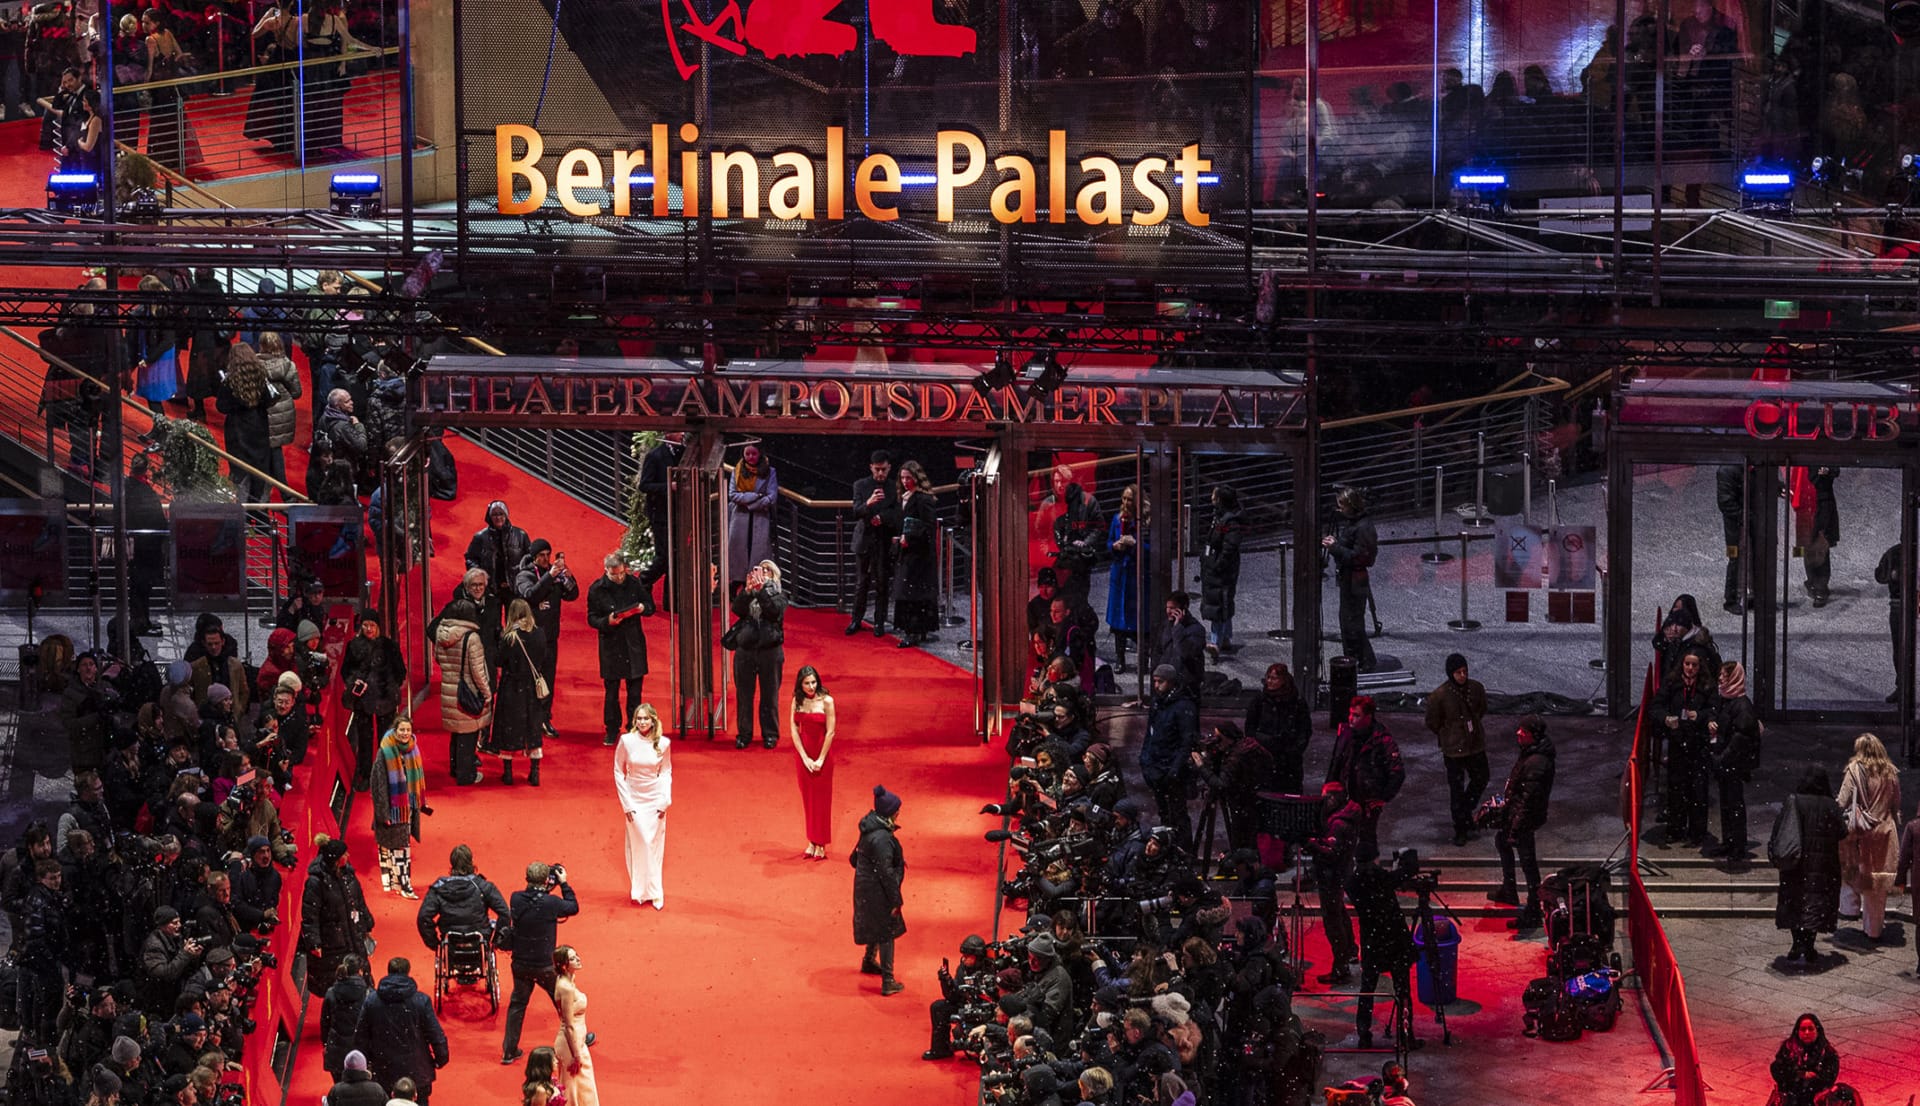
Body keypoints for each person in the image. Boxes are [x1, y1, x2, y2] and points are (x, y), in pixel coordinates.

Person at [502, 863, 578, 1065]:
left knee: (517, 1005)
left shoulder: (515, 898)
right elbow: (573, 906)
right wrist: (563, 883)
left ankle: (509, 1051)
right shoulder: (551, 903)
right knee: (564, 1001)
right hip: (545, 966)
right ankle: (578, 1039)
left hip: (520, 965)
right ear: (547, 881)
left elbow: (534, 901)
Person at [1487, 715, 1556, 932]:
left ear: (1532, 735)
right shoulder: (1532, 755)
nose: (1518, 733)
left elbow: (1528, 800)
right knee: (1503, 843)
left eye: (1523, 731)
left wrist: (1515, 828)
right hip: (1520, 815)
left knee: (1528, 863)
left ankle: (1533, 911)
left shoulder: (1537, 762)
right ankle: (1510, 889)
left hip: (1524, 818)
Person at [1771, 767, 1846, 965]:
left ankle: (1797, 942)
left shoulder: (1794, 801)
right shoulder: (1830, 805)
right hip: (1822, 866)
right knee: (1815, 904)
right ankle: (1809, 944)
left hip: (1796, 864)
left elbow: (1780, 829)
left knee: (1795, 902)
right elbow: (1842, 832)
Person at [354, 957, 449, 1105]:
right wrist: (441, 1058)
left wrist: (365, 1064)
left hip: (383, 1070)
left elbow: (361, 1037)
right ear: (408, 972)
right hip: (417, 1071)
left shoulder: (372, 1001)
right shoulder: (421, 1001)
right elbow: (435, 1034)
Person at [1835, 733, 1902, 942]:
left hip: (1860, 832)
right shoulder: (1891, 773)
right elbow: (1896, 803)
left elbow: (1842, 800)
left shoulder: (1854, 771)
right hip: (1884, 831)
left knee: (1852, 871)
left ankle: (1850, 909)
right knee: (1876, 885)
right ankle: (1873, 929)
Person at [1325, 696, 1405, 863]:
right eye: (1351, 714)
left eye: (1356, 715)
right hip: (1346, 794)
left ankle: (1368, 871)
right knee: (1342, 832)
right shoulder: (1346, 734)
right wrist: (1330, 786)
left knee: (1367, 835)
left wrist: (1383, 797)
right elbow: (1337, 760)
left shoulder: (1382, 740)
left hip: (1368, 797)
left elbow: (1397, 772)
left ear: (1368, 717)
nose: (1351, 718)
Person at [1347, 856, 1415, 1051]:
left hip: (1373, 942)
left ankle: (1363, 1033)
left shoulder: (1354, 884)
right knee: (1402, 989)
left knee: (1367, 989)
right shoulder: (1382, 879)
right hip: (1394, 940)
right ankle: (1406, 1035)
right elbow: (1404, 873)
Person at [432, 578, 493, 786]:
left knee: (456, 734)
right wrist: (487, 693)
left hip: (449, 689)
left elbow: (438, 659)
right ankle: (465, 775)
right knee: (467, 735)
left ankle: (454, 768)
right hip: (467, 690)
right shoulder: (472, 638)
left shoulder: (441, 634)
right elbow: (478, 672)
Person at [1424, 653, 1489, 847]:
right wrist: (1449, 735)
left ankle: (1465, 811)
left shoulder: (1476, 688)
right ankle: (1461, 827)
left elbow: (1481, 709)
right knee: (1457, 790)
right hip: (1454, 750)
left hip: (1474, 744)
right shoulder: (1440, 696)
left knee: (1482, 777)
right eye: (1458, 672)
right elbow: (1433, 721)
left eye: (1464, 671)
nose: (1462, 675)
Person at [512, 540, 577, 731]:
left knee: (548, 678)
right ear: (533, 557)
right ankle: (526, 718)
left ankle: (543, 717)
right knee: (529, 678)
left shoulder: (555, 574)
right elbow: (530, 595)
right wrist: (549, 576)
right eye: (541, 555)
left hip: (550, 636)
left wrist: (567, 578)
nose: (546, 558)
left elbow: (573, 595)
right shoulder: (525, 575)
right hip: (530, 638)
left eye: (548, 554)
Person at [613, 703, 672, 909]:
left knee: (654, 845)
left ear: (653, 720)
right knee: (639, 844)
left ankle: (656, 891)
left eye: (646, 718)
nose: (642, 722)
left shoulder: (663, 743)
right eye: (639, 718)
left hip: (655, 799)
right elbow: (618, 771)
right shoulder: (626, 742)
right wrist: (626, 804)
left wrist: (665, 800)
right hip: (634, 797)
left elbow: (666, 772)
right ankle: (638, 890)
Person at [586, 553, 649, 747]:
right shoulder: (597, 589)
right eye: (615, 575)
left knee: (635, 693)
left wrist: (641, 608)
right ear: (606, 571)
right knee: (611, 692)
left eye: (622, 573)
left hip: (633, 643)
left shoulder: (634, 583)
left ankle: (636, 729)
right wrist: (607, 621)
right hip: (611, 644)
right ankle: (612, 729)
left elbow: (650, 606)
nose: (620, 578)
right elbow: (591, 618)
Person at [1656, 648, 1717, 848]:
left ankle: (1697, 832)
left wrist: (1700, 716)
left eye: (1694, 665)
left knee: (1698, 789)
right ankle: (1675, 829)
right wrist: (1666, 718)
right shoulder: (1671, 683)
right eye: (1687, 664)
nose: (1690, 669)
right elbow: (1656, 707)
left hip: (1698, 743)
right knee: (1676, 788)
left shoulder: (1707, 686)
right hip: (1677, 742)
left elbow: (1714, 709)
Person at [341, 611, 406, 792]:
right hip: (364, 701)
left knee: (387, 739)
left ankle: (386, 774)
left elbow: (400, 671)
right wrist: (355, 682)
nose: (369, 629)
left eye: (372, 625)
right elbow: (345, 671)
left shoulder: (389, 646)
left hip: (385, 699)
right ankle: (367, 775)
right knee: (365, 740)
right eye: (366, 625)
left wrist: (390, 687)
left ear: (378, 627)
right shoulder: (353, 646)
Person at [852, 785, 907, 996]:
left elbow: (854, 859)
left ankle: (868, 960)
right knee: (887, 930)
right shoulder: (883, 838)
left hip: (865, 887)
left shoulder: (869, 828)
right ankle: (888, 980)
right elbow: (886, 873)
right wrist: (896, 900)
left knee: (876, 925)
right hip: (878, 891)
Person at [301, 835, 373, 993]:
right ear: (336, 859)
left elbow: (358, 900)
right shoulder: (316, 882)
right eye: (345, 854)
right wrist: (314, 942)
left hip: (353, 934)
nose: (348, 856)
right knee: (338, 985)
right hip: (332, 941)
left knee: (361, 977)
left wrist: (367, 922)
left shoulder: (348, 874)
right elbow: (310, 916)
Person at [1705, 662, 1762, 862]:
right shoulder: (1728, 700)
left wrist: (1721, 758)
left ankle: (1737, 844)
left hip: (1732, 764)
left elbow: (1740, 740)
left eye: (1723, 675)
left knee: (1734, 804)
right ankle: (1730, 842)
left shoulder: (1742, 706)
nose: (1720, 678)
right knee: (1728, 804)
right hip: (1727, 763)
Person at [729, 560, 787, 748]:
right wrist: (747, 591)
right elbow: (737, 609)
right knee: (744, 695)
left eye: (768, 570)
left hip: (770, 651)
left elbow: (772, 612)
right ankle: (744, 734)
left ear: (774, 575)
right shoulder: (749, 593)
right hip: (746, 650)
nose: (763, 573)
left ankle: (770, 734)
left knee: (769, 695)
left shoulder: (779, 595)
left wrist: (761, 591)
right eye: (761, 570)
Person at [1141, 665, 1199, 851]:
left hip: (1173, 770)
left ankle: (1184, 852)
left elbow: (1187, 741)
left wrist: (1175, 769)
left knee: (1178, 814)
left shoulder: (1183, 707)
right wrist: (1145, 759)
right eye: (1155, 681)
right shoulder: (1159, 703)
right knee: (1165, 813)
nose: (1156, 686)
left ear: (1171, 682)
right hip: (1157, 766)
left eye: (1161, 681)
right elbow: (1150, 734)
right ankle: (1169, 849)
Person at [493, 599, 551, 785]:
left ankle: (508, 773)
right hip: (532, 688)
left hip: (512, 687)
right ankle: (535, 772)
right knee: (533, 728)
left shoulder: (509, 637)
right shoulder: (540, 634)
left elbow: (499, 661)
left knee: (507, 728)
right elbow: (544, 657)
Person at [1323, 486, 1379, 671]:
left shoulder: (1363, 527)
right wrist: (1337, 545)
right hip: (1350, 578)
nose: (1340, 510)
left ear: (1350, 505)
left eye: (1342, 506)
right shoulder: (1356, 523)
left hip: (1355, 579)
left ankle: (1361, 661)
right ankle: (1357, 660)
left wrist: (1335, 548)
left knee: (1352, 622)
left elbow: (1362, 557)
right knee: (1349, 621)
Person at [371, 719, 427, 899]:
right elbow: (378, 785)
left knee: (399, 847)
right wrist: (383, 813)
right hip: (392, 810)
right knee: (399, 848)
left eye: (408, 730)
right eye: (401, 729)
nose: (405, 733)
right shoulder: (384, 752)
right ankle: (405, 885)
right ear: (395, 731)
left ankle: (397, 882)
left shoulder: (413, 748)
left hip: (408, 808)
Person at [847, 450, 900, 636]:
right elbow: (855, 512)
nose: (880, 474)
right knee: (861, 583)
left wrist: (882, 517)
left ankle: (879, 623)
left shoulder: (894, 487)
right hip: (864, 540)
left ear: (889, 468)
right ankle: (856, 620)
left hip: (884, 540)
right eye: (877, 469)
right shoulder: (860, 485)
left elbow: (897, 513)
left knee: (882, 584)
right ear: (871, 467)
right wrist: (868, 504)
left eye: (883, 470)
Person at [634, 432, 685, 612]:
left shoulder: (683, 452)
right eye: (679, 432)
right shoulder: (654, 456)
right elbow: (644, 485)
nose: (683, 434)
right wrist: (668, 487)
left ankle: (672, 602)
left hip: (678, 513)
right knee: (664, 556)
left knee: (676, 557)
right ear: (669, 434)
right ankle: (643, 581)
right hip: (660, 514)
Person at [891, 460, 940, 647]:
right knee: (911, 594)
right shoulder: (905, 497)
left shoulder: (922, 499)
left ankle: (914, 631)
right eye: (902, 478)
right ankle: (915, 630)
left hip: (920, 556)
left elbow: (928, 526)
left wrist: (909, 538)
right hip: (910, 554)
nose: (904, 481)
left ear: (916, 478)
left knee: (913, 594)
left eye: (908, 478)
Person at [790, 666, 837, 860]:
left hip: (822, 756)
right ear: (800, 684)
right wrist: (804, 757)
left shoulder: (827, 701)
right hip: (804, 756)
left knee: (822, 800)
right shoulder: (797, 701)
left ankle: (822, 843)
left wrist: (820, 759)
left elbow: (831, 731)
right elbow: (793, 729)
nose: (811, 686)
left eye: (814, 682)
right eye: (807, 683)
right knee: (808, 799)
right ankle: (811, 840)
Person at [1245, 662, 1312, 794]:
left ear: (1283, 680)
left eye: (1274, 678)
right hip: (1265, 755)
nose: (1269, 681)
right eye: (1268, 677)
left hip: (1288, 759)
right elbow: (1250, 727)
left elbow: (1304, 729)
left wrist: (1295, 750)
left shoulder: (1296, 702)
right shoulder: (1260, 700)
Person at [1106, 484, 1150, 672]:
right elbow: (1108, 542)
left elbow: (1154, 549)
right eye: (1123, 498)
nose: (1125, 502)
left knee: (1139, 619)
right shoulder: (1117, 519)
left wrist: (1135, 543)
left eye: (1129, 499)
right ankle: (1120, 659)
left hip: (1137, 575)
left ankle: (1143, 661)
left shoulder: (1146, 521)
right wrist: (1114, 546)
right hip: (1120, 574)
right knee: (1118, 620)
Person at [1198, 486, 1244, 659]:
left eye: (1213, 495)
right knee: (1222, 601)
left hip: (1222, 569)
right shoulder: (1220, 517)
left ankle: (1215, 642)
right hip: (1216, 566)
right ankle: (1225, 638)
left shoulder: (1230, 522)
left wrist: (1217, 565)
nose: (1211, 498)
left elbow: (1229, 547)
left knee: (1219, 603)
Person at [465, 501, 530, 620]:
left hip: (514, 589)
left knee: (515, 624)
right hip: (491, 589)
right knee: (492, 626)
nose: (498, 517)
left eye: (501, 513)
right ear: (489, 517)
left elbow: (529, 560)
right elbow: (470, 558)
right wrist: (479, 576)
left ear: (506, 515)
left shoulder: (521, 535)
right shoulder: (480, 537)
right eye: (494, 514)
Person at [726, 444, 778, 593]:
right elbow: (733, 495)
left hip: (760, 518)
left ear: (760, 454)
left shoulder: (770, 471)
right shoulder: (737, 471)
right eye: (747, 454)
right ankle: (736, 584)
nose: (750, 457)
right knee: (739, 552)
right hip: (739, 518)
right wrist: (756, 497)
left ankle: (754, 586)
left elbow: (771, 497)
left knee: (758, 553)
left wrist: (749, 503)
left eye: (753, 454)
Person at [551, 946, 598, 1106]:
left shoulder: (567, 980)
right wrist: (576, 1055)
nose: (578, 959)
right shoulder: (566, 988)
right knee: (572, 1092)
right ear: (564, 965)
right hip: (571, 1046)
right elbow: (569, 1025)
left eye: (576, 955)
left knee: (583, 1088)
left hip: (577, 1042)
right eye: (572, 958)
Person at [1768, 1013, 1840, 1106]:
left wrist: (1814, 1077)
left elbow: (1830, 1077)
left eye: (1810, 1029)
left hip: (1815, 1098)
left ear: (1817, 1030)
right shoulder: (1789, 1048)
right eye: (1803, 1029)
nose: (1807, 1033)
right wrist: (1799, 1074)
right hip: (1790, 1096)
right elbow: (1777, 1069)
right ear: (1797, 1031)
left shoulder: (1827, 1052)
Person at [1051, 478, 1103, 605]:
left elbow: (1098, 526)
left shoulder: (1088, 501)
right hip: (1062, 558)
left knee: (1080, 597)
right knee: (1060, 596)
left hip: (1081, 559)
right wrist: (1060, 543)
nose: (1060, 485)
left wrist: (1086, 542)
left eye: (1062, 481)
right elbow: (1042, 525)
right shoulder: (1053, 501)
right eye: (1056, 481)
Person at [320, 955, 372, 1081]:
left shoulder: (331, 993)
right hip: (362, 1047)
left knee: (340, 1086)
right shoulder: (369, 994)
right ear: (360, 971)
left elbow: (325, 1022)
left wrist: (326, 1044)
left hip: (337, 1047)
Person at [1874, 541, 1910, 703]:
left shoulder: (1895, 552)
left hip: (1898, 605)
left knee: (1900, 648)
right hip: (1903, 604)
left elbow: (1880, 576)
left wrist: (1893, 575)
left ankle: (1902, 687)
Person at [1153, 592, 1206, 695]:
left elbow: (1187, 653)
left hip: (1184, 685)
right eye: (1167, 607)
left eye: (1172, 608)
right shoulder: (1165, 626)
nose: (1168, 611)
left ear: (1183, 608)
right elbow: (1158, 651)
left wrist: (1177, 629)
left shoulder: (1196, 629)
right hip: (1164, 682)